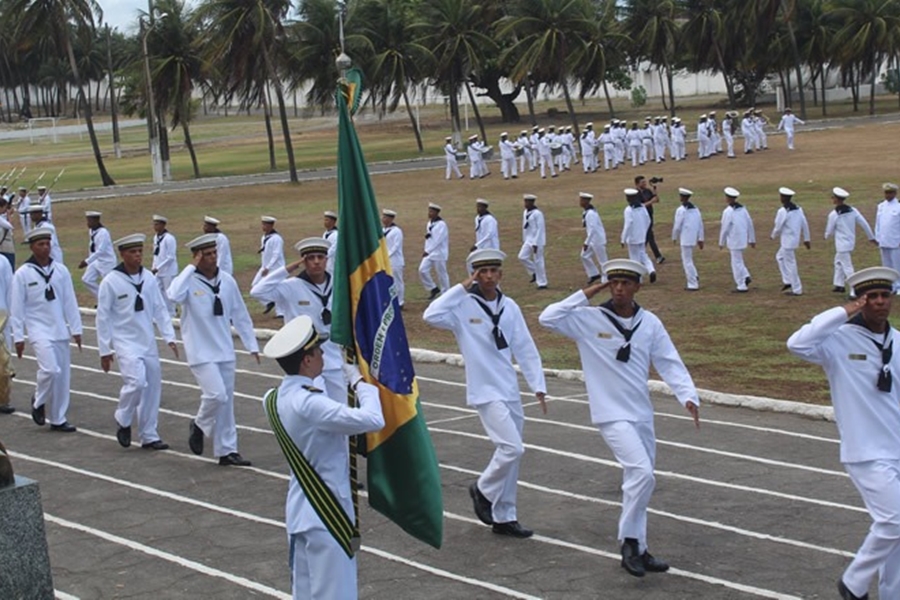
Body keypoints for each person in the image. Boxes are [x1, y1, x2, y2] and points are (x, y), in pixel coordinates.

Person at [539, 258, 700, 578]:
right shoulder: (588, 319)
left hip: (641, 414)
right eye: (614, 283)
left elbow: (668, 360)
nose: (619, 289)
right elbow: (548, 318)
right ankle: (628, 542)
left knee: (638, 481)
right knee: (642, 473)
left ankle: (640, 546)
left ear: (637, 286)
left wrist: (688, 395)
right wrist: (588, 292)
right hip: (611, 414)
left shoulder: (649, 322)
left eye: (626, 283)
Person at [786, 266, 900, 600]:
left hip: (897, 446)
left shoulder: (898, 341)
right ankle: (853, 582)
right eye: (871, 297)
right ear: (860, 300)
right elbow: (797, 343)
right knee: (895, 521)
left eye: (885, 295)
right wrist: (843, 311)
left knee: (898, 532)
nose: (879, 302)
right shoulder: (836, 341)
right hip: (865, 451)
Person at [424, 249, 547, 538]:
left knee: (512, 456)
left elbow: (525, 347)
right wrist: (462, 287)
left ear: (501, 274)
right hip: (485, 389)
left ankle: (505, 516)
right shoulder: (461, 306)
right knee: (512, 448)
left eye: (493, 271)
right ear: (474, 274)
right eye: (482, 272)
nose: (488, 277)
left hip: (509, 388)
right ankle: (482, 489)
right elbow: (431, 314)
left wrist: (537, 385)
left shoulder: (510, 306)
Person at [262, 315, 384, 600]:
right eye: (317, 351)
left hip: (300, 511)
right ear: (306, 360)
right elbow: (373, 419)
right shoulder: (310, 403)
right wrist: (359, 383)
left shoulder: (273, 398)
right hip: (327, 513)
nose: (321, 356)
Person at [168, 233, 260, 467]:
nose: (212, 258)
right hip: (200, 351)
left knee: (226, 402)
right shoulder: (187, 281)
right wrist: (190, 267)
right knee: (215, 395)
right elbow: (173, 295)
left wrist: (252, 345)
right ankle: (199, 424)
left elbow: (240, 313)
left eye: (213, 253)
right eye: (206, 255)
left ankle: (227, 450)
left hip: (224, 349)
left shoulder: (227, 280)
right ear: (197, 257)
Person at [97, 234, 178, 450]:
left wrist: (169, 336)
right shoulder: (111, 281)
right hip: (125, 341)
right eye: (132, 252)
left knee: (152, 388)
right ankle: (123, 417)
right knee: (137, 382)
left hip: (147, 340)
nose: (138, 256)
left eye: (140, 251)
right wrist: (105, 350)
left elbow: (159, 308)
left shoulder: (149, 278)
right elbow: (102, 317)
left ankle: (149, 434)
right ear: (122, 254)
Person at [250, 237, 344, 400]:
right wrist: (288, 269)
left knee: (341, 407)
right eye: (310, 258)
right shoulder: (291, 286)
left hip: (333, 357)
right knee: (318, 407)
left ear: (326, 260)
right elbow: (257, 291)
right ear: (303, 261)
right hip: (306, 361)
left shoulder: (337, 284)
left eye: (320, 257)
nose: (316, 262)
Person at [11, 227, 82, 432]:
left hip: (59, 328)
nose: (45, 248)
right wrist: (18, 337)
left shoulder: (60, 271)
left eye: (47, 244)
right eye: (40, 244)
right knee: (50, 369)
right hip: (38, 329)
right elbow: (17, 308)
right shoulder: (23, 274)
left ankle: (59, 418)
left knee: (62, 377)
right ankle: (38, 400)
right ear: (32, 247)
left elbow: (70, 301)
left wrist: (76, 329)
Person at [825, 187, 876, 294]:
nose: (832, 199)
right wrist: (871, 237)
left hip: (841, 244)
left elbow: (829, 231)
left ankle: (854, 290)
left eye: (833, 197)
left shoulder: (834, 215)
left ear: (837, 199)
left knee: (848, 267)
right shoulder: (853, 211)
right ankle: (839, 285)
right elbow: (864, 224)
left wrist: (827, 235)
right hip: (850, 242)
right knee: (838, 262)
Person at [771, 187, 811, 296]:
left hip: (787, 242)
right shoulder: (798, 209)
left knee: (791, 264)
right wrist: (807, 238)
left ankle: (797, 289)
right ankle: (788, 280)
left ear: (783, 198)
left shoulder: (783, 211)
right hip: (793, 240)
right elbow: (805, 224)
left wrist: (773, 236)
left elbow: (778, 226)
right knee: (779, 257)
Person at [719, 187, 756, 293]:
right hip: (742, 239)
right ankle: (745, 276)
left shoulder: (728, 211)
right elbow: (750, 223)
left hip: (734, 240)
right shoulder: (743, 209)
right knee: (738, 260)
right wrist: (752, 239)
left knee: (736, 262)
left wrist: (721, 242)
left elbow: (724, 228)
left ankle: (741, 284)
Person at [621, 188, 657, 283]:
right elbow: (648, 220)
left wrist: (623, 238)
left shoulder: (628, 210)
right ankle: (651, 270)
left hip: (633, 238)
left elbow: (628, 224)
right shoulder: (642, 207)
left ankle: (638, 279)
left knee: (634, 258)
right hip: (642, 236)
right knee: (643, 254)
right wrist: (644, 231)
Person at [672, 188, 704, 291]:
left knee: (687, 261)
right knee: (689, 259)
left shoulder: (681, 210)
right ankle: (694, 275)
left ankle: (692, 283)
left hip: (685, 238)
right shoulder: (695, 209)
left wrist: (674, 236)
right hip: (693, 237)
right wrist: (700, 238)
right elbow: (700, 224)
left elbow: (677, 226)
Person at [252, 215, 285, 315]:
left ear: (271, 226)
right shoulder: (264, 237)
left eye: (265, 224)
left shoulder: (277, 239)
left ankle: (281, 312)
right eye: (262, 224)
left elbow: (276, 254)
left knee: (279, 288)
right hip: (265, 267)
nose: (263, 226)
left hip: (276, 268)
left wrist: (268, 267)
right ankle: (268, 302)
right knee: (255, 285)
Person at [78, 210, 115, 298]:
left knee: (109, 285)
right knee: (86, 279)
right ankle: (102, 298)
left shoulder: (103, 233)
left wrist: (87, 261)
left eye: (89, 221)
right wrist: (90, 261)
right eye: (87, 220)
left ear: (96, 221)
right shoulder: (92, 231)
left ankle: (111, 302)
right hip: (96, 261)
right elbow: (92, 247)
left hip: (107, 262)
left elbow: (100, 251)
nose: (88, 223)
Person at [418, 202, 449, 300]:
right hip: (429, 252)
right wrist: (427, 249)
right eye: (429, 211)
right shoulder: (429, 223)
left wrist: (428, 250)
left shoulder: (441, 225)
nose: (429, 213)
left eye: (431, 211)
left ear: (437, 213)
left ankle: (446, 293)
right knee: (422, 270)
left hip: (439, 253)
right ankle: (433, 288)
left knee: (441, 274)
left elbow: (438, 240)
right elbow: (430, 238)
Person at [151, 215, 178, 317]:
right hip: (158, 271)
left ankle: (172, 312)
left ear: (163, 225)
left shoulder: (169, 239)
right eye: (154, 224)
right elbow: (156, 254)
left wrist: (158, 267)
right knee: (157, 291)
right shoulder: (156, 237)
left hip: (168, 271)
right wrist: (154, 266)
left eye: (157, 224)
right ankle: (162, 310)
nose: (155, 226)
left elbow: (170, 257)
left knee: (168, 293)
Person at [518, 194, 547, 289]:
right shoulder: (525, 212)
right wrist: (525, 239)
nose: (525, 204)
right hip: (528, 239)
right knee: (522, 257)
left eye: (527, 202)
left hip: (536, 240)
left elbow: (540, 229)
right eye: (525, 201)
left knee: (538, 261)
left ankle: (542, 283)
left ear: (532, 202)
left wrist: (536, 243)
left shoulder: (537, 213)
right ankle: (534, 271)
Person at [875, 183, 900, 293]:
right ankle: (889, 285)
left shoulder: (898, 206)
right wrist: (877, 236)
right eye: (886, 193)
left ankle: (898, 286)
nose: (887, 195)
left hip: (896, 240)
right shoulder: (881, 206)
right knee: (886, 265)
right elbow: (878, 223)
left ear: (895, 193)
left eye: (890, 193)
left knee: (896, 264)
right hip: (884, 239)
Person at [579, 192, 608, 285]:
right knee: (584, 255)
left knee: (602, 260)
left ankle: (606, 278)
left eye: (582, 200)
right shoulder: (587, 212)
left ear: (586, 201)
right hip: (592, 239)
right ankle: (594, 274)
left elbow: (593, 229)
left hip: (597, 239)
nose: (580, 202)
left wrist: (586, 242)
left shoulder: (591, 213)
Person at [636, 175, 664, 265]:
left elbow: (657, 200)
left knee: (648, 237)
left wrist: (655, 192)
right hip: (642, 218)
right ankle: (657, 256)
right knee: (649, 236)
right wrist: (651, 201)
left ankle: (641, 256)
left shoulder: (648, 191)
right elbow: (641, 206)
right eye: (642, 182)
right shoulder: (636, 194)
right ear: (637, 184)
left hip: (649, 216)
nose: (644, 184)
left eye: (645, 182)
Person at [382, 209, 406, 307]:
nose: (383, 219)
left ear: (391, 219)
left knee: (397, 281)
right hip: (385, 260)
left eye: (385, 217)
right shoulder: (383, 230)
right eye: (383, 217)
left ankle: (400, 301)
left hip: (395, 260)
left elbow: (396, 246)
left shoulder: (397, 231)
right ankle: (390, 299)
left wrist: (387, 255)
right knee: (387, 281)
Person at [0, 248, 14, 415]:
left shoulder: (3, 261)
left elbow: (10, 290)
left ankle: (3, 398)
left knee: (3, 362)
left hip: (2, 317)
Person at [0, 198, 14, 270]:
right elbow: (10, 226)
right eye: (5, 207)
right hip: (4, 248)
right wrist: (9, 215)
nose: (5, 210)